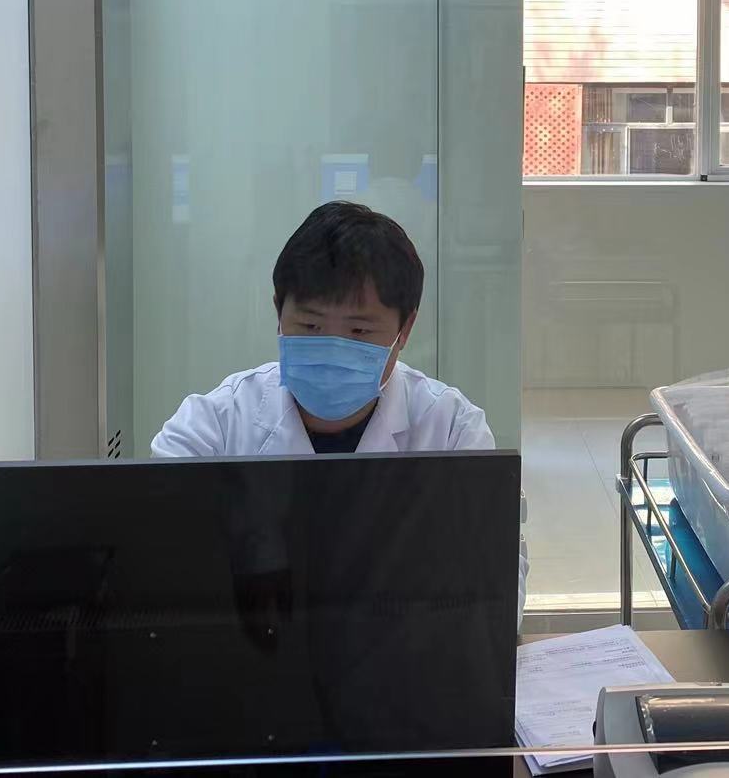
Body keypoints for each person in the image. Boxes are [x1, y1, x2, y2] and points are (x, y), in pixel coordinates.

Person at [151, 200, 527, 618]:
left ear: (405, 330)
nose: (332, 348)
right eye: (310, 326)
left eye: (359, 330)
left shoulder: (452, 430)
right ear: (278, 312)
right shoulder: (210, 427)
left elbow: (496, 593)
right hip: (253, 650)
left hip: (404, 653)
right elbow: (162, 576)